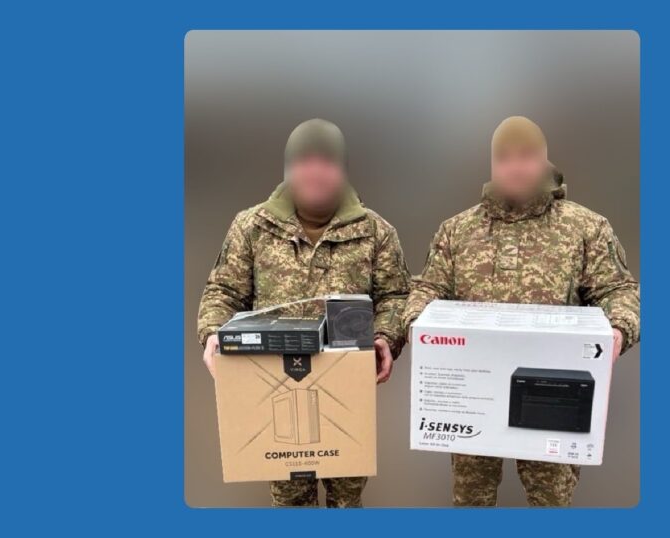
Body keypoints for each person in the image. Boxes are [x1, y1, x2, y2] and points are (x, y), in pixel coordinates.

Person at [402, 116, 640, 507]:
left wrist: (618, 330)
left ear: (545, 159)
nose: (515, 167)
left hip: (553, 390)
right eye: (504, 158)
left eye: (526, 156)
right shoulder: (456, 231)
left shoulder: (586, 228)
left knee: (550, 504)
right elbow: (428, 288)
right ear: (492, 164)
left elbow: (618, 290)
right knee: (471, 503)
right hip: (472, 390)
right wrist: (417, 324)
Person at [197, 118, 410, 507]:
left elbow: (396, 296)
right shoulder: (252, 227)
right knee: (290, 498)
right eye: (304, 161)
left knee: (347, 496)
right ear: (288, 168)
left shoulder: (376, 232)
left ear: (343, 169)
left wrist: (385, 338)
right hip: (275, 382)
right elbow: (224, 291)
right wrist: (213, 332)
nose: (315, 172)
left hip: (346, 386)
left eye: (327, 161)